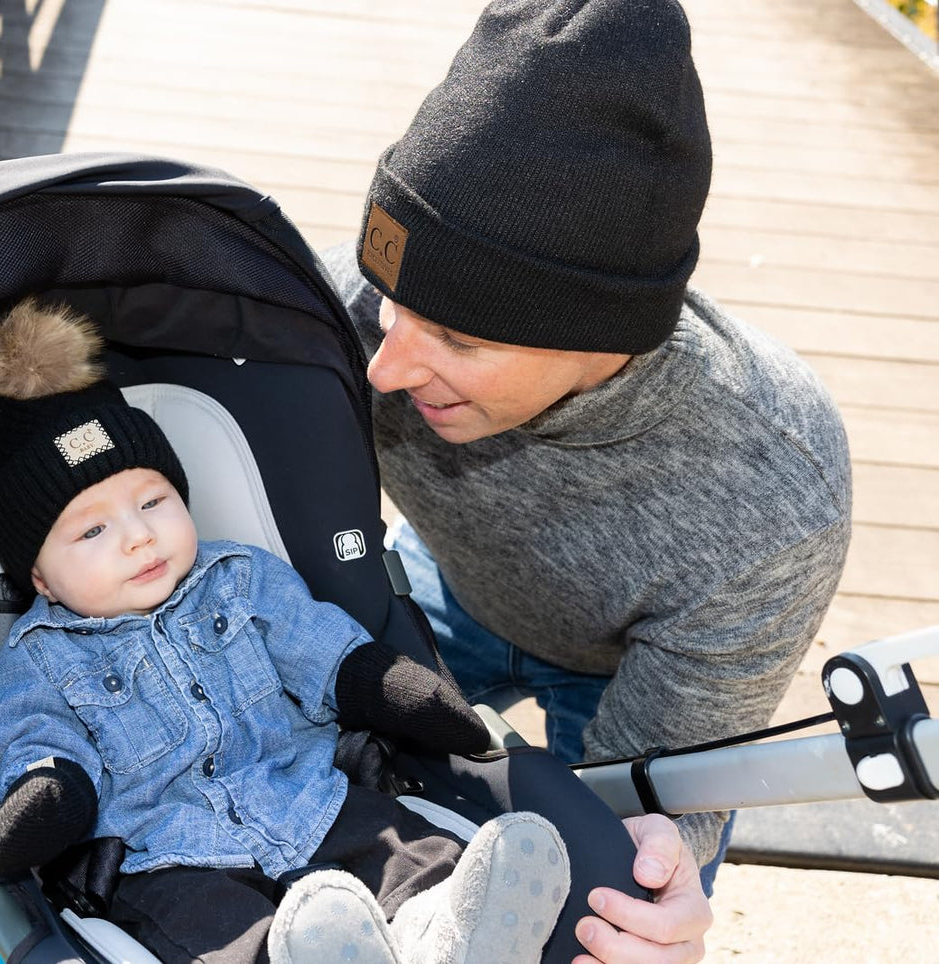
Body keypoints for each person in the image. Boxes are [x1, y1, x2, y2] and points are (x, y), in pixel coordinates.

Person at [322, 0, 852, 958]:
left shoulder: (772, 501)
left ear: (606, 334)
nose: (382, 368)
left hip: (625, 676)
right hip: (445, 582)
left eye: (457, 338)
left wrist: (653, 873)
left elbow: (663, 791)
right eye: (392, 301)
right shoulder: (363, 318)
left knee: (603, 891)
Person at [0, 299, 574, 964]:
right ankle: (298, 956)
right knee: (211, 933)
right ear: (39, 578)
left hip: (307, 797)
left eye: (153, 502)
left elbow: (321, 651)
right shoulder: (40, 657)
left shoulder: (241, 578)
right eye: (93, 531)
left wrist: (389, 686)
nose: (138, 537)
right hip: (165, 853)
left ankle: (450, 930)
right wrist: (53, 795)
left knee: (401, 849)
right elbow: (37, 739)